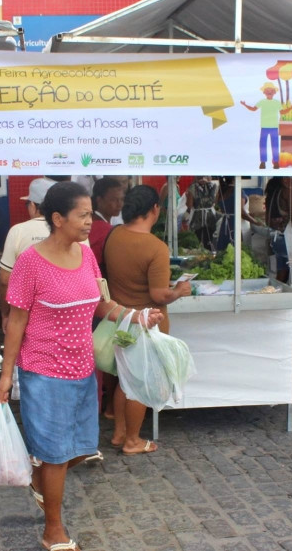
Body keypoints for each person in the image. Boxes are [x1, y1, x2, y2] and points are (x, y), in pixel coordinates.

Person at [0, 181, 162, 551]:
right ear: (57, 218)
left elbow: (101, 304)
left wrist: (135, 316)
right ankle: (53, 529)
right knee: (56, 454)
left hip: (83, 368)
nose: (90, 221)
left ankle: (39, 479)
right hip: (43, 372)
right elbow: (17, 321)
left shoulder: (85, 256)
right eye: (82, 215)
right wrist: (6, 375)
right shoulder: (30, 263)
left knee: (80, 450)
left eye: (90, 214)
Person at [104, 185, 192, 455]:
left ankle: (120, 433)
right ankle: (132, 440)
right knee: (139, 384)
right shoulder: (156, 247)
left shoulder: (114, 235)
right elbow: (158, 294)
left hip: (121, 320)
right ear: (155, 209)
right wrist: (178, 291)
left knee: (124, 380)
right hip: (147, 322)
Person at [0, 178, 86, 332]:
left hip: (27, 318)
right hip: (72, 323)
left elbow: (4, 280)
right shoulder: (78, 234)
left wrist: (6, 314)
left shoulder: (18, 231)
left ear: (33, 205)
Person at [240, 82, 292, 169]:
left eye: (271, 90)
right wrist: (245, 105)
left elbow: (282, 112)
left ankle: (276, 162)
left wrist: (291, 107)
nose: (269, 92)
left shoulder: (276, 102)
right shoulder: (262, 102)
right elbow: (253, 109)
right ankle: (263, 162)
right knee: (263, 145)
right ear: (264, 92)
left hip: (274, 127)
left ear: (274, 92)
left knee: (275, 145)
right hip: (264, 127)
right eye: (267, 90)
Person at [88, 177, 125, 272]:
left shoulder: (92, 221)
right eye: (114, 200)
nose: (119, 204)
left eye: (121, 199)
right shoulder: (102, 228)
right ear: (99, 200)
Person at [186, 176, 219, 251]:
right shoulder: (214, 186)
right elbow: (216, 202)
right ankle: (209, 255)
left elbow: (189, 205)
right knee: (210, 239)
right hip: (210, 216)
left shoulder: (193, 187)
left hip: (197, 217)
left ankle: (197, 255)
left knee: (195, 240)